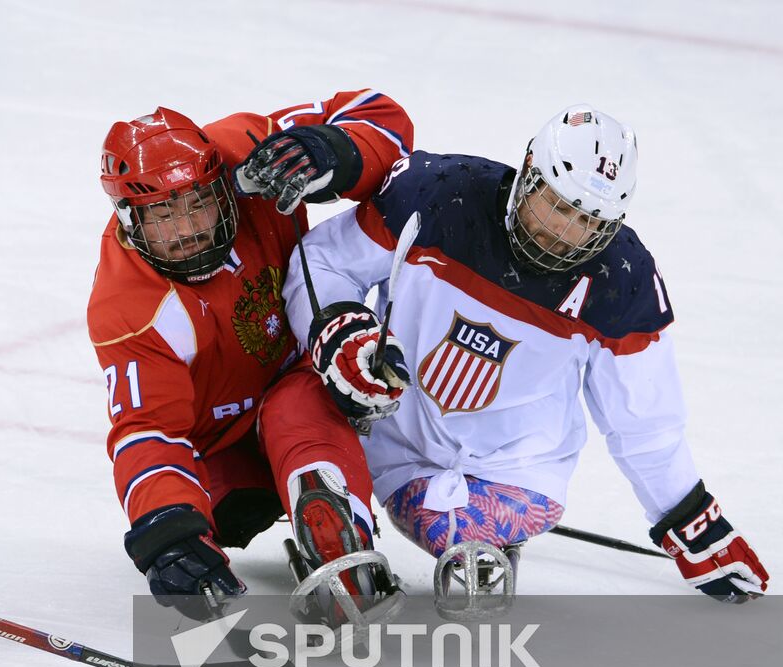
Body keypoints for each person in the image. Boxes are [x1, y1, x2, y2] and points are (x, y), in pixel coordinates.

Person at [289, 104, 769, 603]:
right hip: (393, 436)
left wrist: (691, 523)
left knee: (456, 523)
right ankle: (347, 529)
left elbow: (644, 424)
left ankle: (474, 541)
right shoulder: (437, 194)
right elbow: (323, 262)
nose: (564, 233)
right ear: (529, 173)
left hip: (521, 472)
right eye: (558, 207)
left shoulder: (623, 281)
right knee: (299, 403)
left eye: (588, 221)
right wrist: (340, 329)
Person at [87, 92, 415, 611]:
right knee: (202, 519)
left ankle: (344, 535)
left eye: (198, 203)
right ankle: (302, 493)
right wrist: (169, 535)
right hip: (220, 454)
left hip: (311, 388)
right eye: (162, 215)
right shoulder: (129, 305)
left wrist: (332, 149)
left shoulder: (244, 147)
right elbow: (149, 431)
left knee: (299, 406)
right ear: (128, 218)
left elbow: (382, 115)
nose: (188, 231)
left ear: (222, 183)